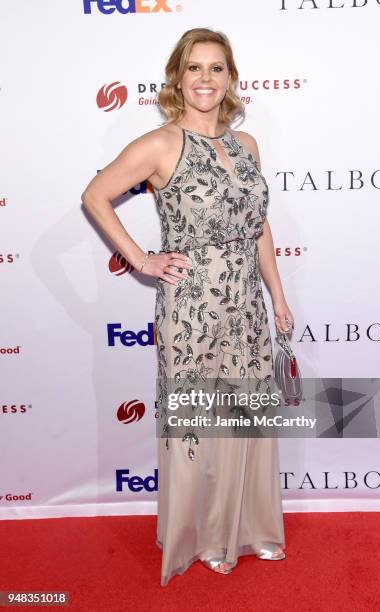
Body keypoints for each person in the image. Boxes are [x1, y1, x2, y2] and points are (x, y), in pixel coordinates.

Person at [81, 27, 294, 587]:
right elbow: (94, 196)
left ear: (230, 78)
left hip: (245, 302)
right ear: (178, 76)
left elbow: (258, 227)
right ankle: (201, 536)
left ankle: (245, 529)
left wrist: (277, 295)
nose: (205, 78)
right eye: (194, 67)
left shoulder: (246, 146)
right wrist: (140, 259)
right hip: (192, 307)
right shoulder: (159, 144)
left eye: (216, 68)